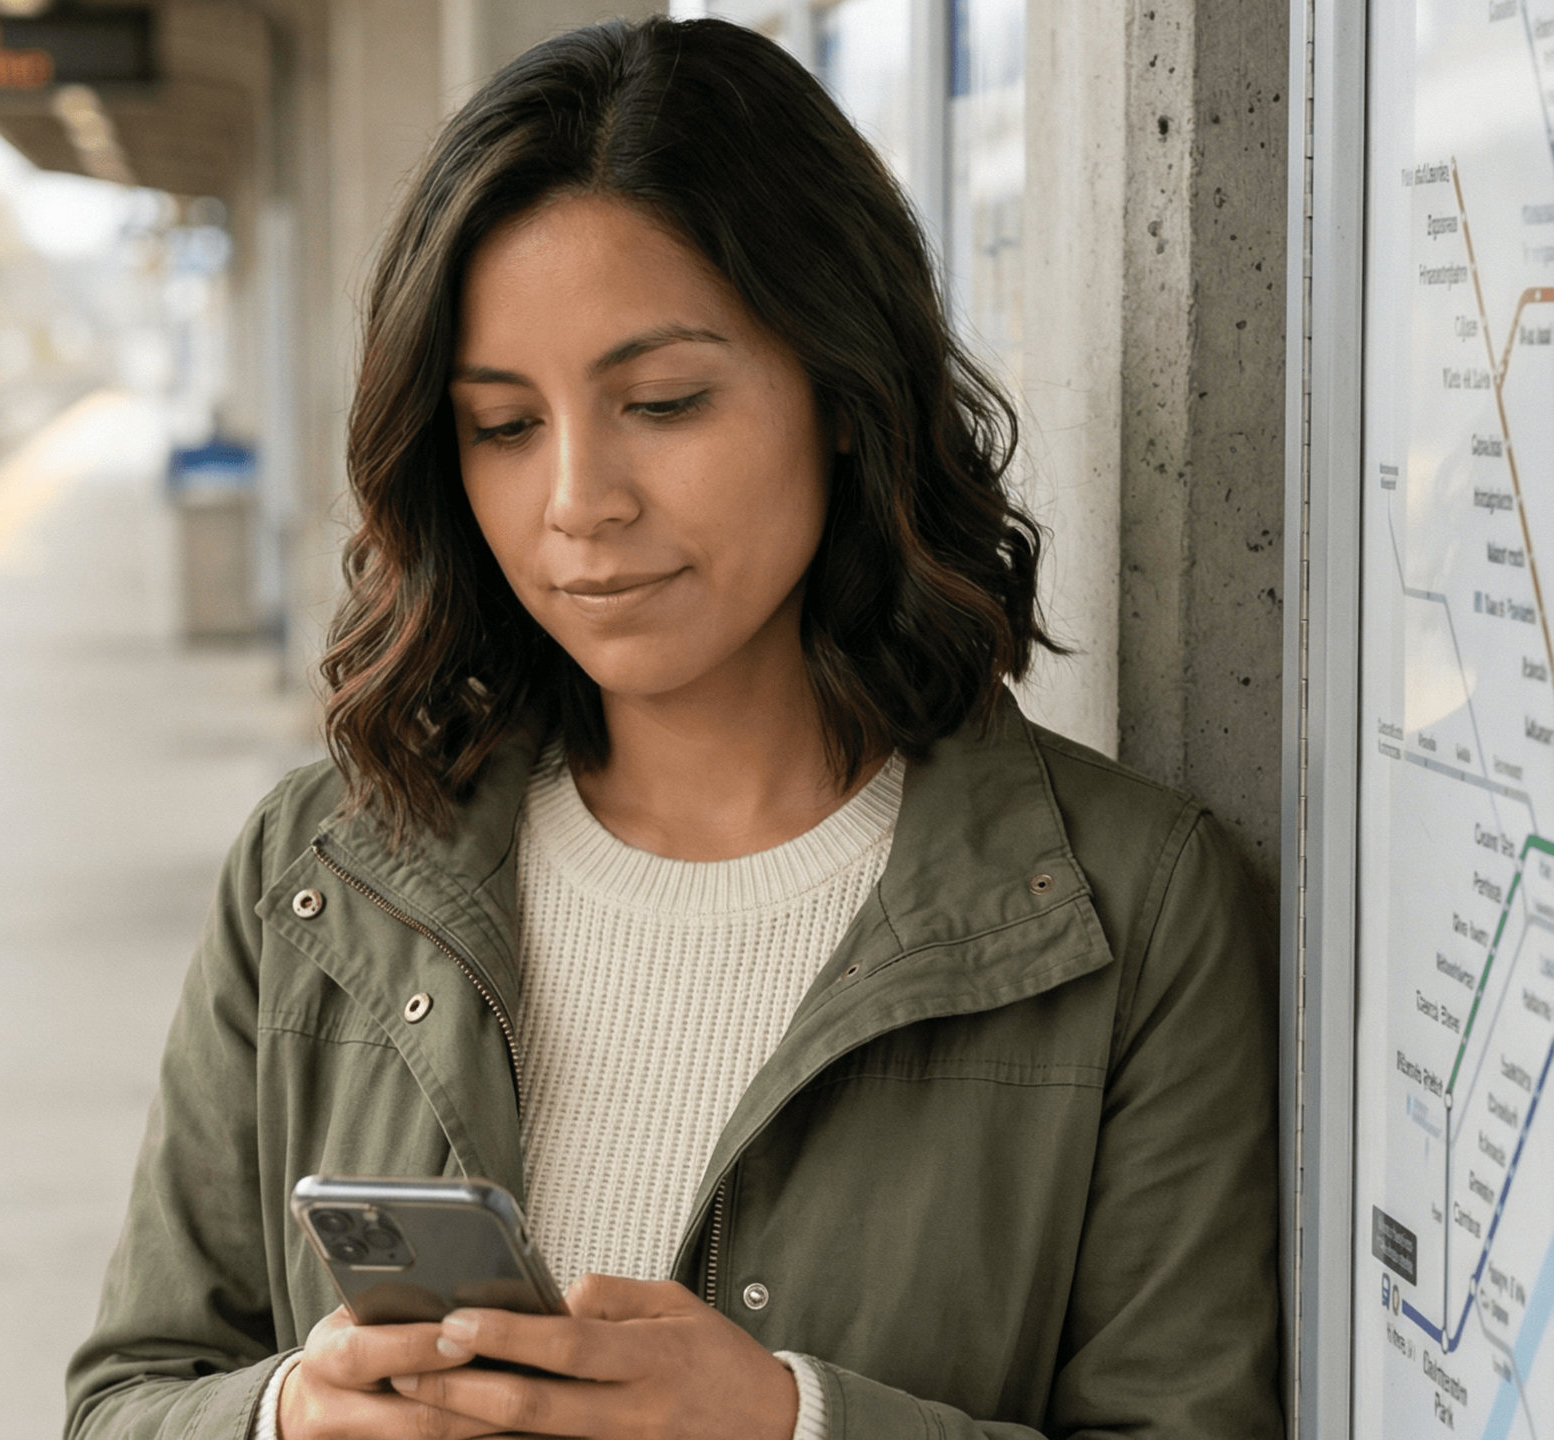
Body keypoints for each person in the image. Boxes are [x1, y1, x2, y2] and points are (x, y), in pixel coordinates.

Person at [65, 16, 1281, 1440]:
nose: (580, 500)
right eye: (504, 427)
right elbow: (128, 1398)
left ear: (842, 390)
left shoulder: (1130, 912)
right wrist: (288, 1416)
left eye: (662, 402)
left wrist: (794, 1424)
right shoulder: (316, 871)